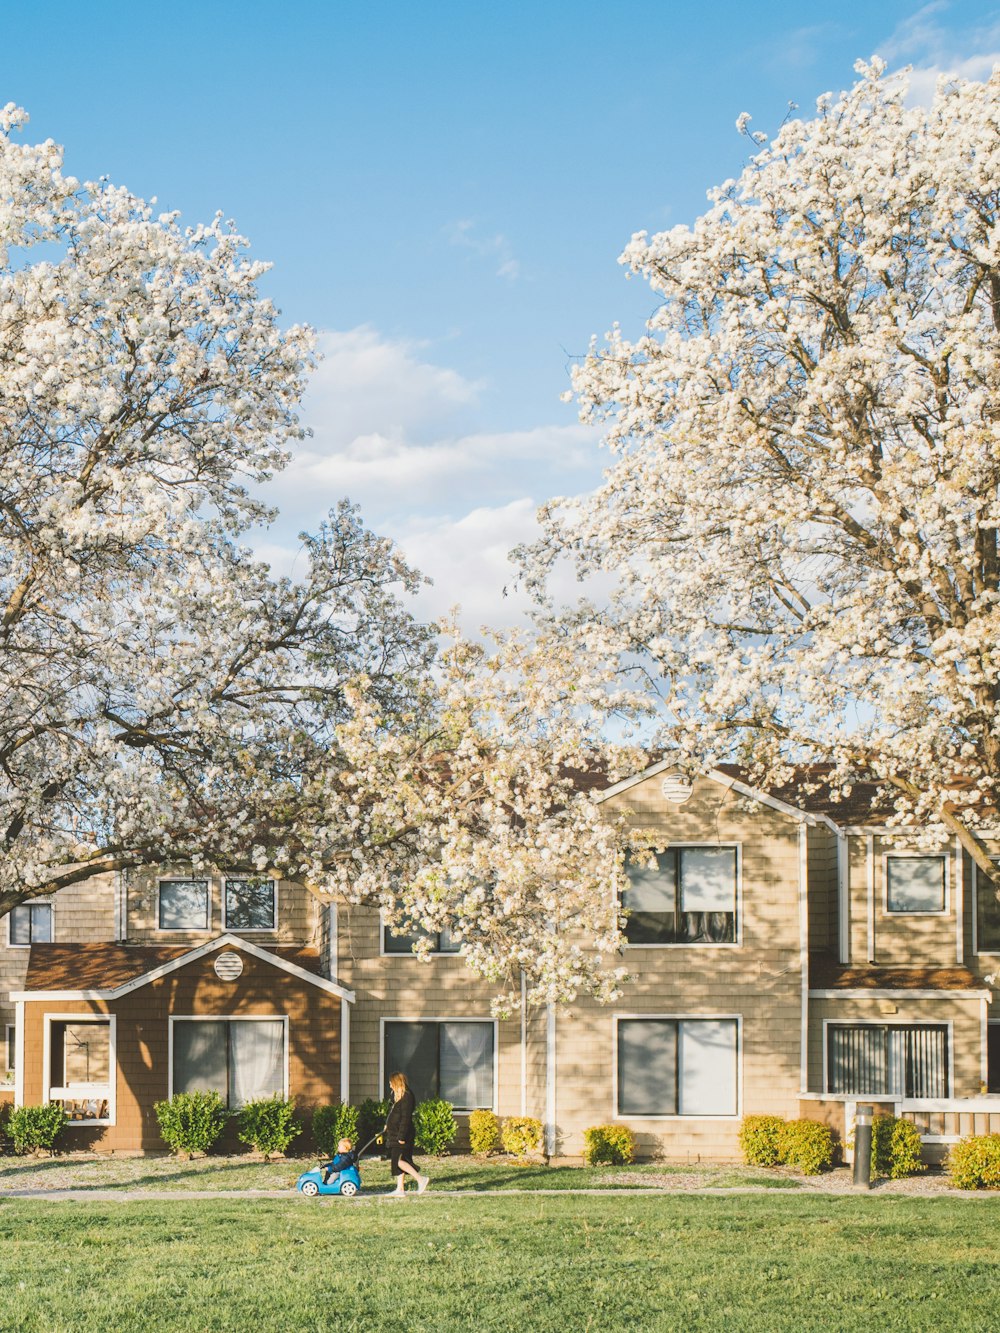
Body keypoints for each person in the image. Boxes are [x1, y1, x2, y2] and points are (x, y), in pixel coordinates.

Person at [385, 1071, 428, 1194]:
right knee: (397, 1160)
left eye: (391, 1083)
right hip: (395, 1133)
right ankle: (400, 1189)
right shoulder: (399, 1095)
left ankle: (421, 1179)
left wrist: (401, 1136)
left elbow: (405, 1118)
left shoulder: (407, 1097)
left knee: (398, 1161)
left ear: (396, 1082)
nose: (389, 1085)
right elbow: (395, 1114)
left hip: (402, 1134)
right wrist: (387, 1124)